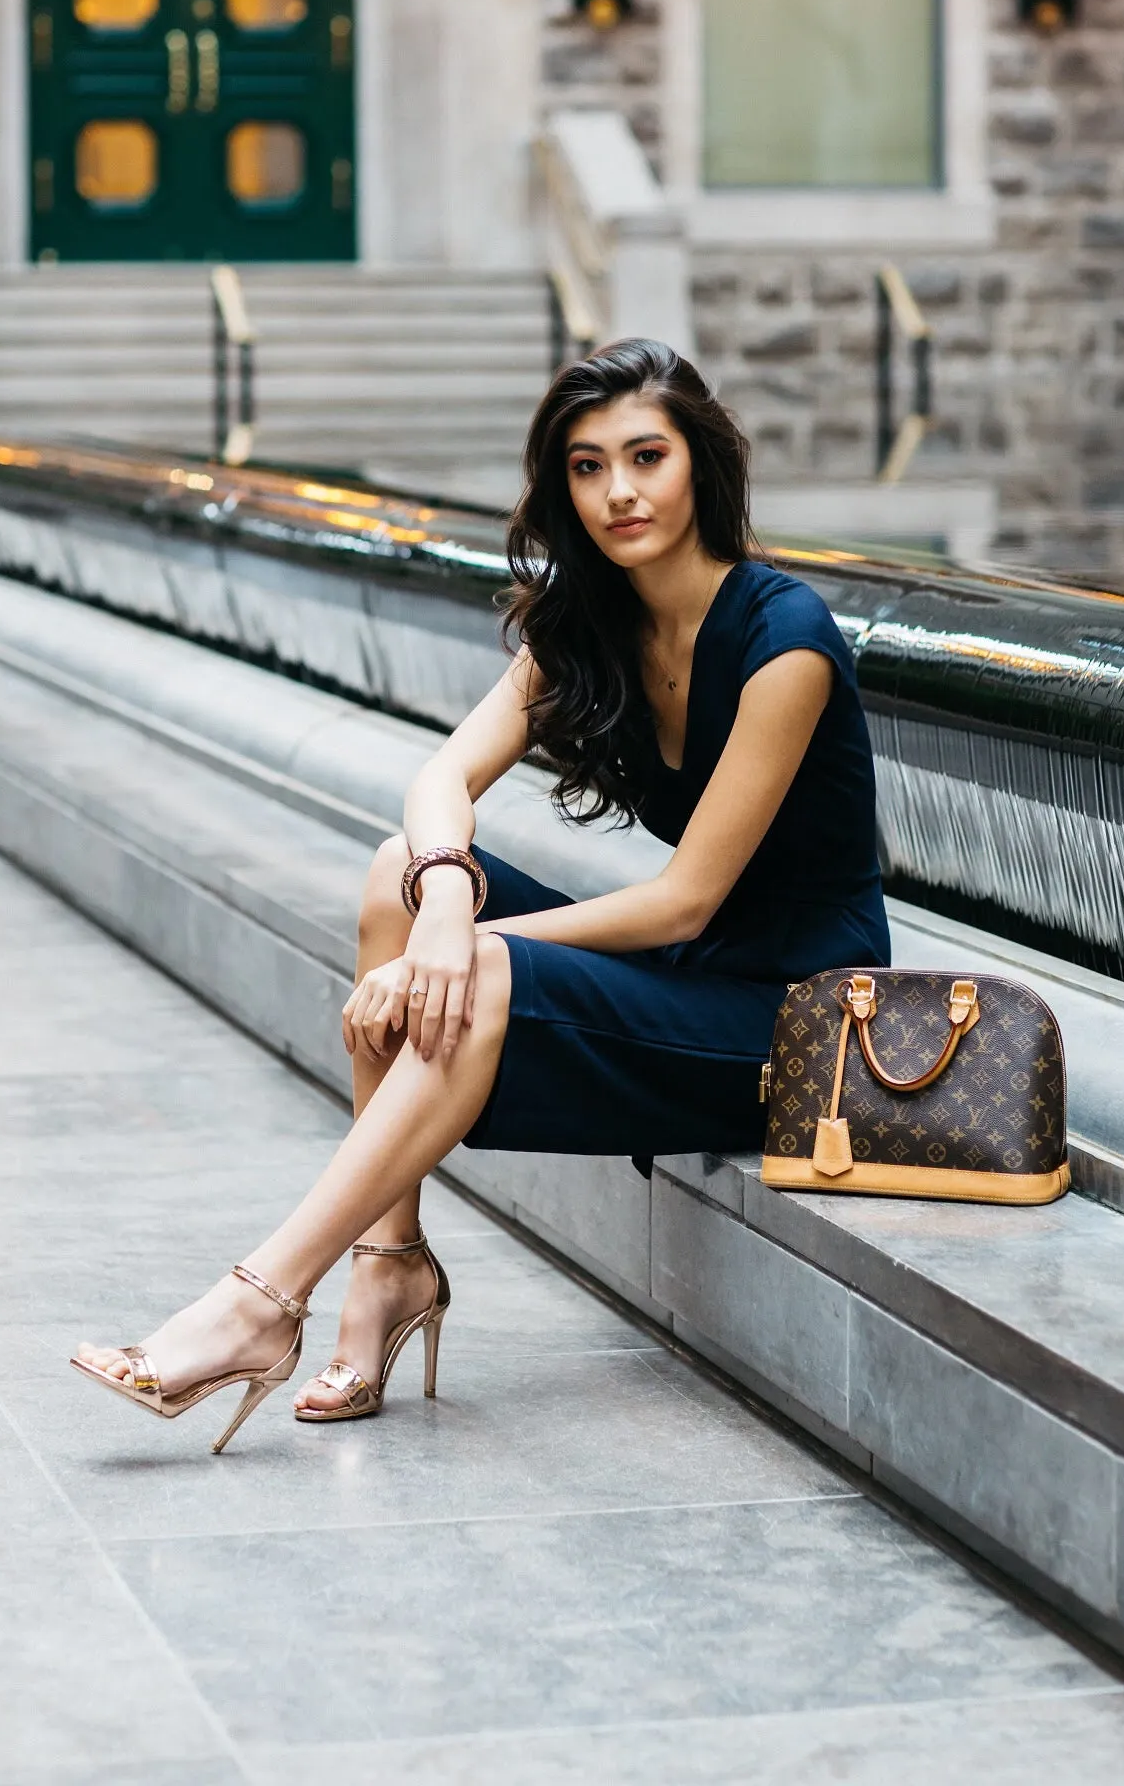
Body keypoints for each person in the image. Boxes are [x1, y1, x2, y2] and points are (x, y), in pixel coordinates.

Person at [73, 338, 890, 1447]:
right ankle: (389, 1264)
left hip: (794, 1024)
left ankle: (258, 1306)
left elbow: (685, 900)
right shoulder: (590, 623)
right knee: (394, 880)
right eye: (586, 468)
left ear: (698, 463)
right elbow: (441, 777)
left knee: (477, 957)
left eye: (645, 457)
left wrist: (453, 953)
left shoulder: (783, 639)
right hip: (691, 982)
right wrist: (447, 903)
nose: (619, 493)